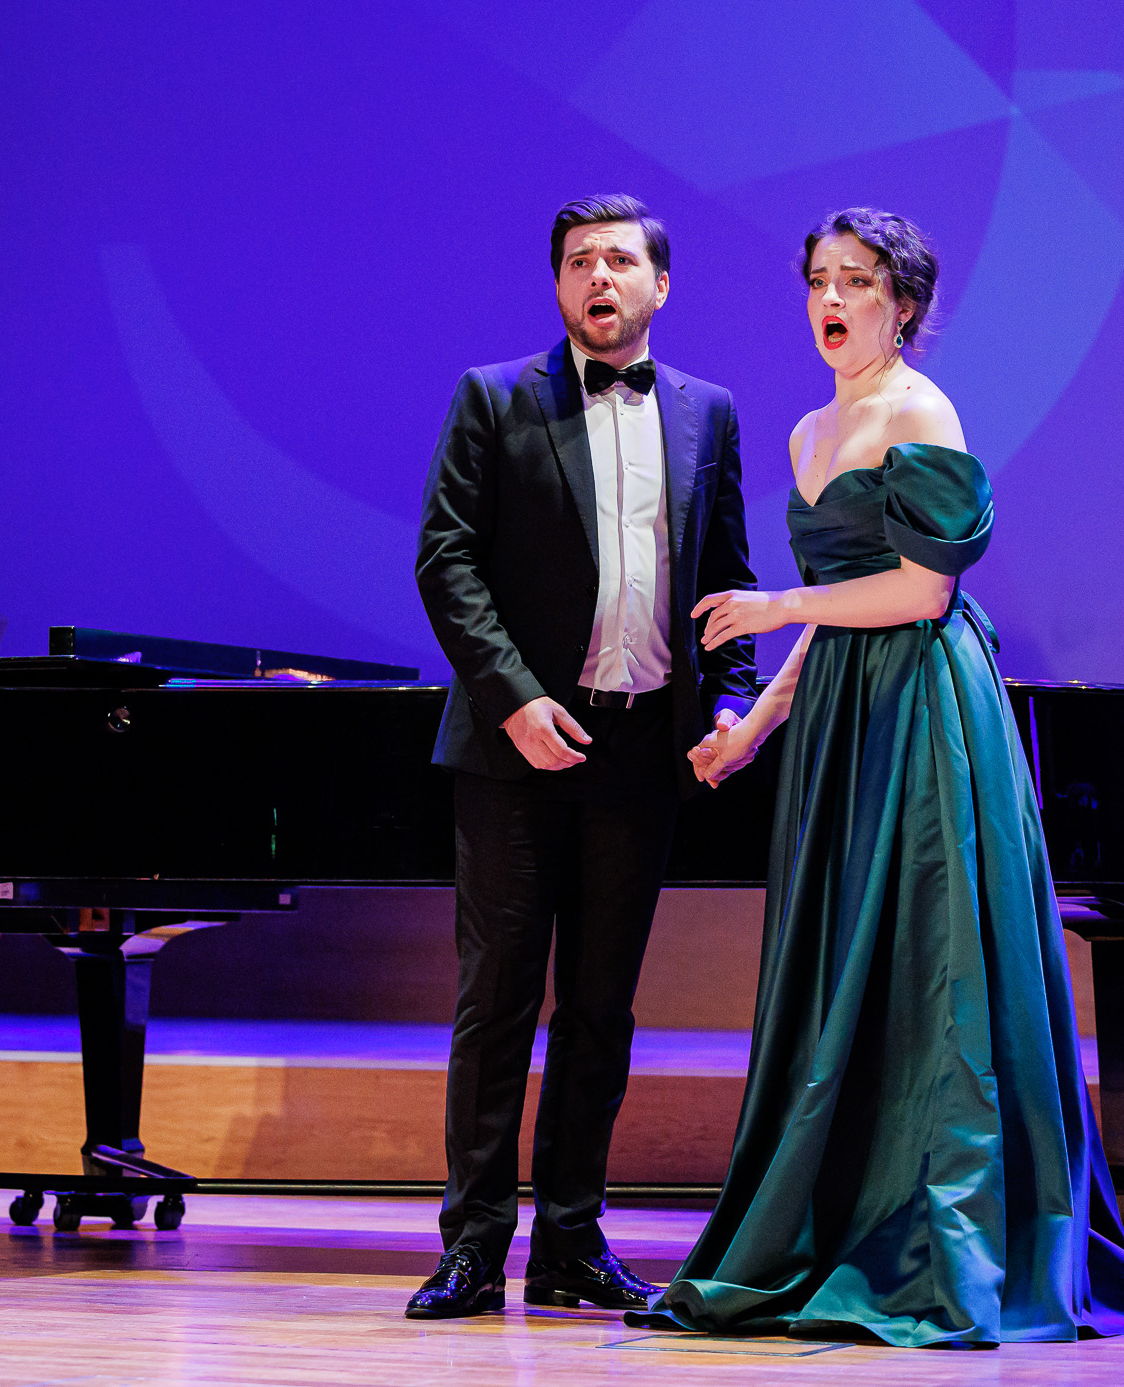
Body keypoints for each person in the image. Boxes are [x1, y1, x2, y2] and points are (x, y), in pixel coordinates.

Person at [641, 210, 1124, 1345]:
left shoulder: (920, 410)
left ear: (905, 304)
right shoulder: (807, 430)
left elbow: (921, 591)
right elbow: (834, 618)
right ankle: (836, 1219)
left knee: (933, 959)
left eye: (858, 281)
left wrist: (775, 605)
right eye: (818, 280)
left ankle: (942, 1241)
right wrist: (755, 725)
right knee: (847, 964)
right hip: (841, 714)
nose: (832, 300)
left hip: (924, 709)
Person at [410, 194, 760, 1319]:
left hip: (640, 748)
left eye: (617, 259)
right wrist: (514, 700)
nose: (596, 276)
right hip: (516, 750)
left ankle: (570, 1243)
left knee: (601, 1009)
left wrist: (733, 699)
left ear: (661, 284)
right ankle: (473, 1246)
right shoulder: (494, 396)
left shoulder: (708, 412)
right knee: (497, 1001)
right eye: (576, 261)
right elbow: (446, 559)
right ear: (558, 284)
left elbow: (728, 580)